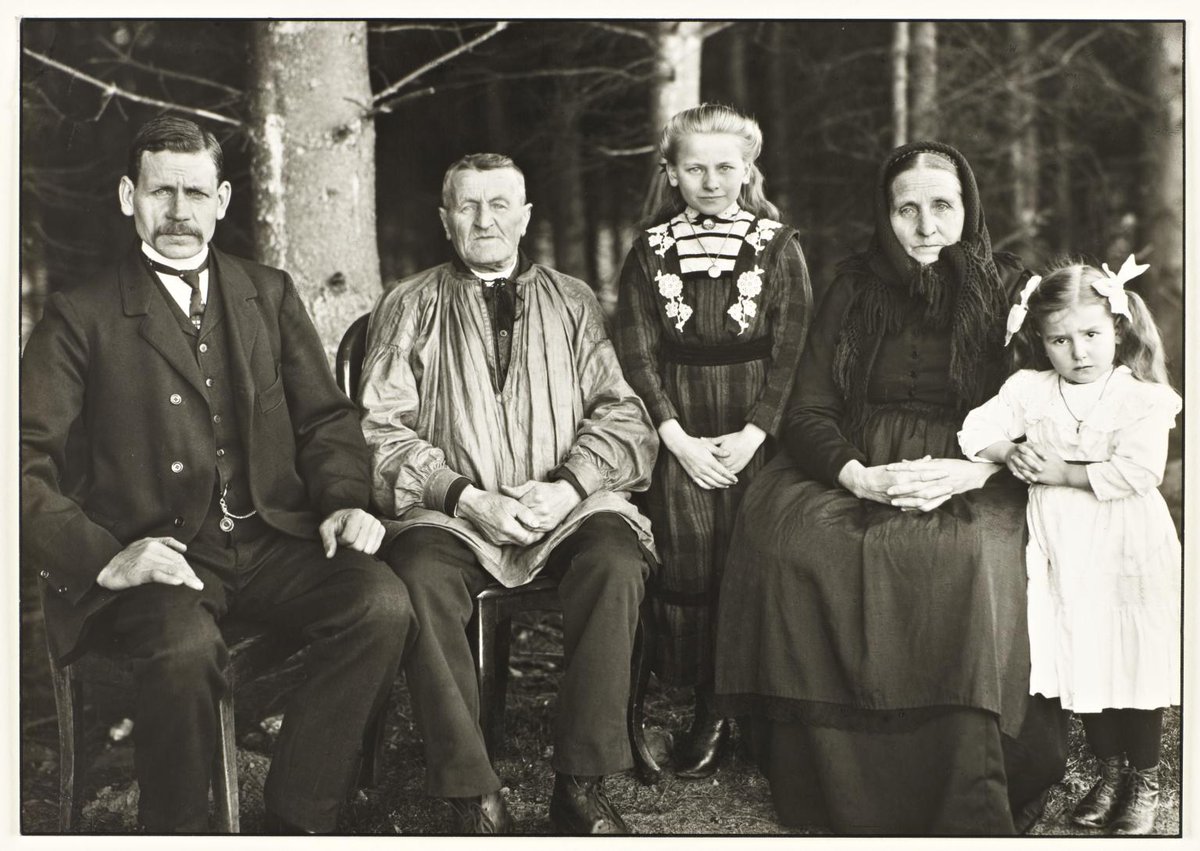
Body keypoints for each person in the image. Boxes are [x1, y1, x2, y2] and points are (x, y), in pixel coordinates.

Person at [21, 115, 413, 834]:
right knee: (184, 649)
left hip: (269, 541)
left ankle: (298, 814)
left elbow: (326, 420)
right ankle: (175, 833)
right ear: (128, 197)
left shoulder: (269, 292)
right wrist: (105, 557)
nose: (179, 212)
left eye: (196, 193)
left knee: (381, 603)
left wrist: (341, 500)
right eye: (161, 192)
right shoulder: (79, 314)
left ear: (223, 200)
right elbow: (20, 460)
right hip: (157, 553)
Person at [713, 141, 1069, 834]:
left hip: (979, 462)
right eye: (908, 210)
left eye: (942, 206)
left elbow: (1043, 403)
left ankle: (969, 775)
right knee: (791, 541)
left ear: (968, 208)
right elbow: (808, 408)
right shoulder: (852, 286)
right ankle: (825, 776)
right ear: (886, 214)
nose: (926, 226)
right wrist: (858, 476)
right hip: (861, 458)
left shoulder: (1010, 287)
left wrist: (978, 468)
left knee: (967, 554)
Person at [358, 153, 657, 834]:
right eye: (468, 206)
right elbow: (379, 430)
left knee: (616, 559)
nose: (484, 220)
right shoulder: (409, 302)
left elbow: (623, 414)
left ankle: (580, 784)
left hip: (565, 508)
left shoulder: (573, 299)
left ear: (524, 217)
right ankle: (470, 789)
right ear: (445, 220)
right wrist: (465, 496)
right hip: (453, 513)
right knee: (417, 574)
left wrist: (568, 487)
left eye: (499, 205)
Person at [613, 104, 813, 778]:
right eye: (694, 168)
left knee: (758, 557)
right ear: (671, 172)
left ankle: (758, 703)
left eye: (726, 166)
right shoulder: (649, 249)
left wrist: (757, 432)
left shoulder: (779, 246)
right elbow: (636, 351)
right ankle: (709, 704)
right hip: (681, 428)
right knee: (690, 560)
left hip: (757, 428)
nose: (711, 180)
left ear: (748, 169)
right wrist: (676, 438)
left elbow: (793, 349)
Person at [959, 256, 1181, 835]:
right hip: (1064, 548)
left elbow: (1141, 470)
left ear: (1118, 330)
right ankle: (1108, 773)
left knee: (1131, 658)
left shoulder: (1140, 396)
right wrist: (1008, 451)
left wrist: (1062, 472)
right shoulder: (1030, 390)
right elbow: (974, 430)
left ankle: (1145, 780)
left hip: (1126, 545)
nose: (1079, 352)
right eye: (1061, 340)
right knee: (1082, 653)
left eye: (1091, 335)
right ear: (1041, 340)